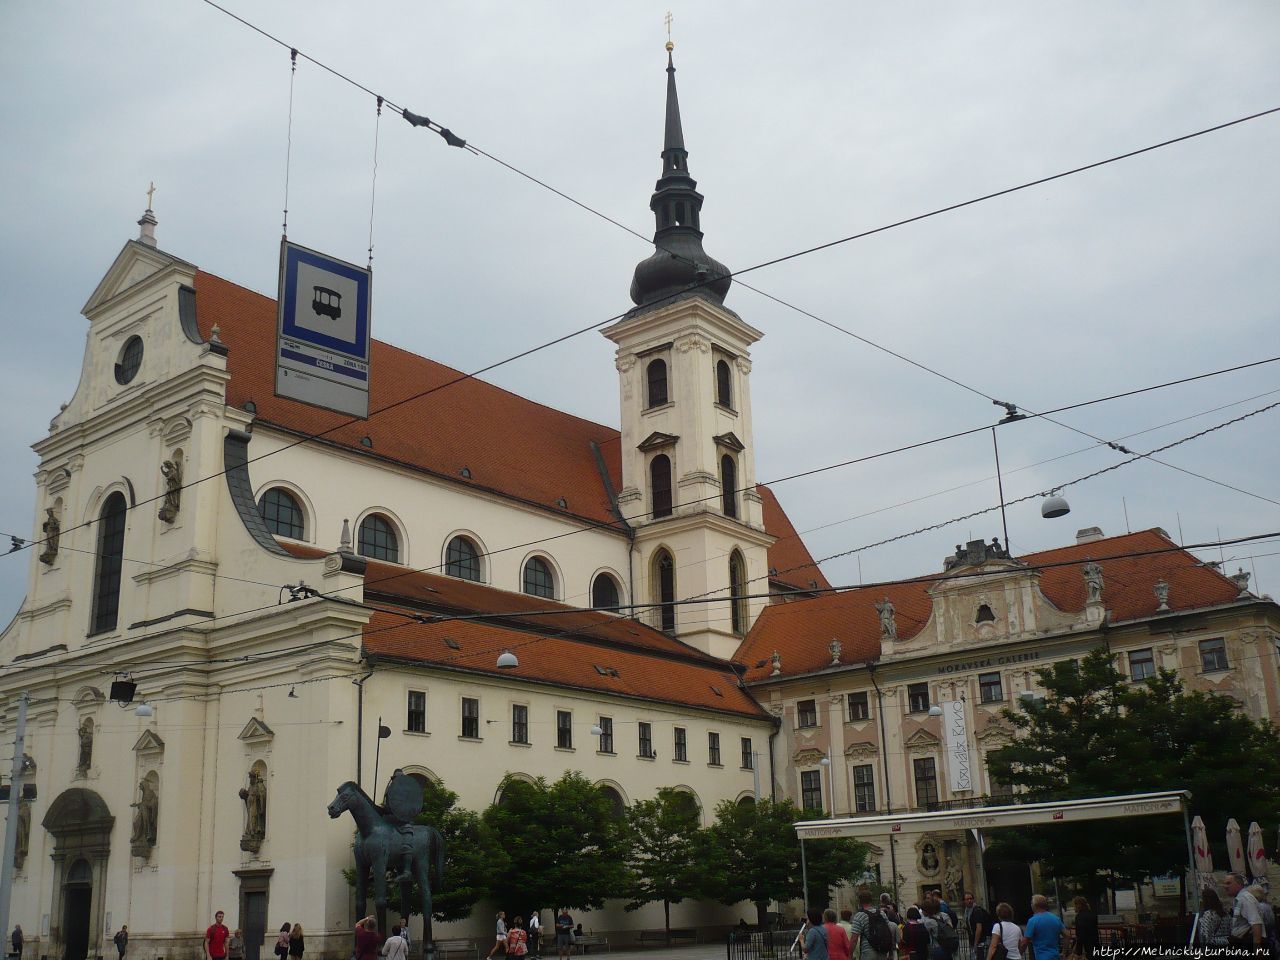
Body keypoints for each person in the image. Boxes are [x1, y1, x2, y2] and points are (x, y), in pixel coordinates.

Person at [1223, 873, 1264, 950]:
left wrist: (1257, 949)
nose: (1225, 886)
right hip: (1241, 943)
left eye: (1228, 883)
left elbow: (1256, 923)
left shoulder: (1245, 899)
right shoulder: (1240, 898)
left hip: (1247, 944)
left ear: (1239, 884)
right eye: (1224, 884)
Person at [850, 891, 892, 960]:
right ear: (871, 900)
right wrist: (890, 953)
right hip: (882, 951)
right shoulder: (882, 913)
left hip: (868, 952)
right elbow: (889, 932)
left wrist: (850, 955)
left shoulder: (859, 916)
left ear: (860, 902)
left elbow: (854, 939)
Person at [1022, 895, 1064, 960]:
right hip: (1056, 956)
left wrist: (1019, 953)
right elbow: (1067, 935)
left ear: (1035, 905)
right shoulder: (1056, 918)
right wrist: (1064, 952)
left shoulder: (1033, 921)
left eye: (1031, 903)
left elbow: (1025, 942)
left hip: (1041, 957)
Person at [964, 893, 992, 959]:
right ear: (964, 901)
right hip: (973, 939)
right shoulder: (967, 911)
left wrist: (975, 944)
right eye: (967, 899)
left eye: (971, 899)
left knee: (980, 957)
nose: (969, 901)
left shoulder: (977, 911)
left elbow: (979, 928)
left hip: (980, 940)